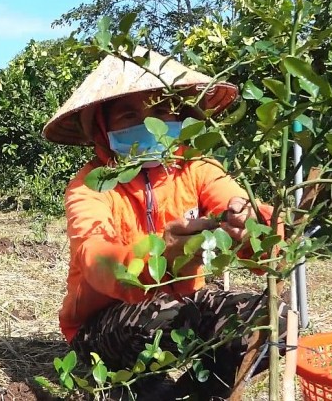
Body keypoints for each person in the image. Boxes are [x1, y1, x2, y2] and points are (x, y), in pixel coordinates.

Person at [42, 49, 286, 399]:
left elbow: (256, 228)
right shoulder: (90, 185)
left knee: (272, 317)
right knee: (164, 313)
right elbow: (97, 260)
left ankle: (200, 391)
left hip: (180, 309)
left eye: (159, 111)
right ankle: (141, 386)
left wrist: (251, 225)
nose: (147, 125)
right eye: (128, 114)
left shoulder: (198, 169)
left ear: (179, 115)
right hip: (103, 325)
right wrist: (161, 252)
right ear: (103, 128)